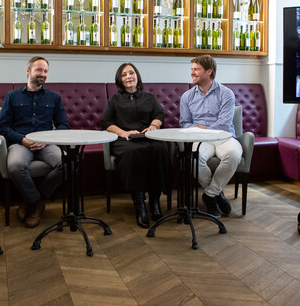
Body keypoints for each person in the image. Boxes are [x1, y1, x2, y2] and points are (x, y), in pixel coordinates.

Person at [0, 56, 69, 228]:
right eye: (39, 70)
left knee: (68, 164)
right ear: (28, 71)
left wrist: (47, 140)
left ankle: (33, 200)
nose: (42, 74)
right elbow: (4, 127)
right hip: (21, 142)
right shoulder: (12, 96)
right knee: (15, 166)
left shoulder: (54, 97)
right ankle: (36, 202)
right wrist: (23, 140)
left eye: (45, 71)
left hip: (46, 144)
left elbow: (63, 124)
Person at [102, 63, 170, 228]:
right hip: (125, 140)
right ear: (120, 79)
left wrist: (153, 127)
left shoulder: (150, 98)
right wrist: (123, 133)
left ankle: (155, 201)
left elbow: (159, 115)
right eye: (124, 75)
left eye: (131, 73)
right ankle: (139, 204)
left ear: (137, 76)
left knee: (160, 149)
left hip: (149, 136)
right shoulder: (114, 100)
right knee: (135, 152)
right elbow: (106, 122)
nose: (128, 77)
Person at [179, 55, 242, 217]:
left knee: (234, 154)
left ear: (209, 72)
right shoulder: (187, 97)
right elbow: (184, 123)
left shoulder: (226, 94)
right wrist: (198, 130)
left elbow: (223, 124)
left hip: (224, 137)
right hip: (199, 139)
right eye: (192, 69)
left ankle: (209, 194)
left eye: (196, 69)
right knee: (193, 157)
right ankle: (215, 195)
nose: (192, 73)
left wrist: (200, 128)